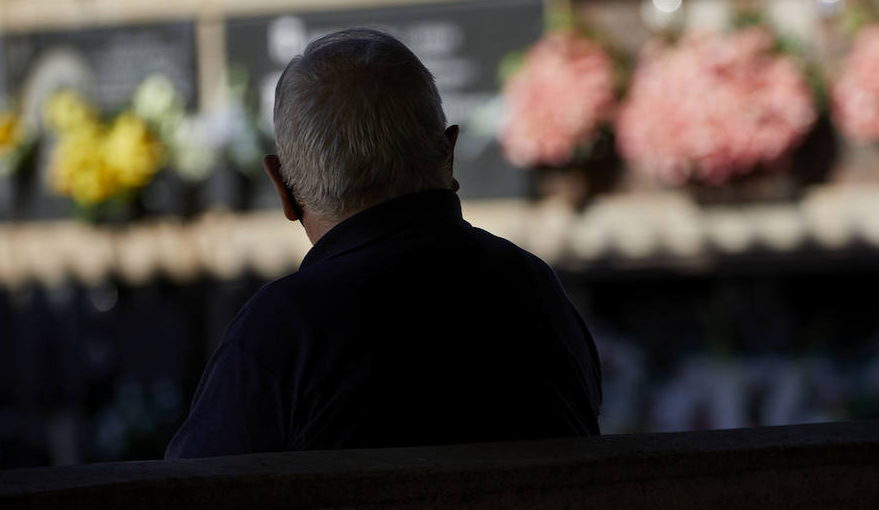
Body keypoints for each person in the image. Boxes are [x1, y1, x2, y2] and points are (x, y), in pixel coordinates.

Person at [167, 29, 601, 456]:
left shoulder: (281, 332)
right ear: (449, 153)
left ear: (284, 188)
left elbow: (188, 504)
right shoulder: (536, 289)